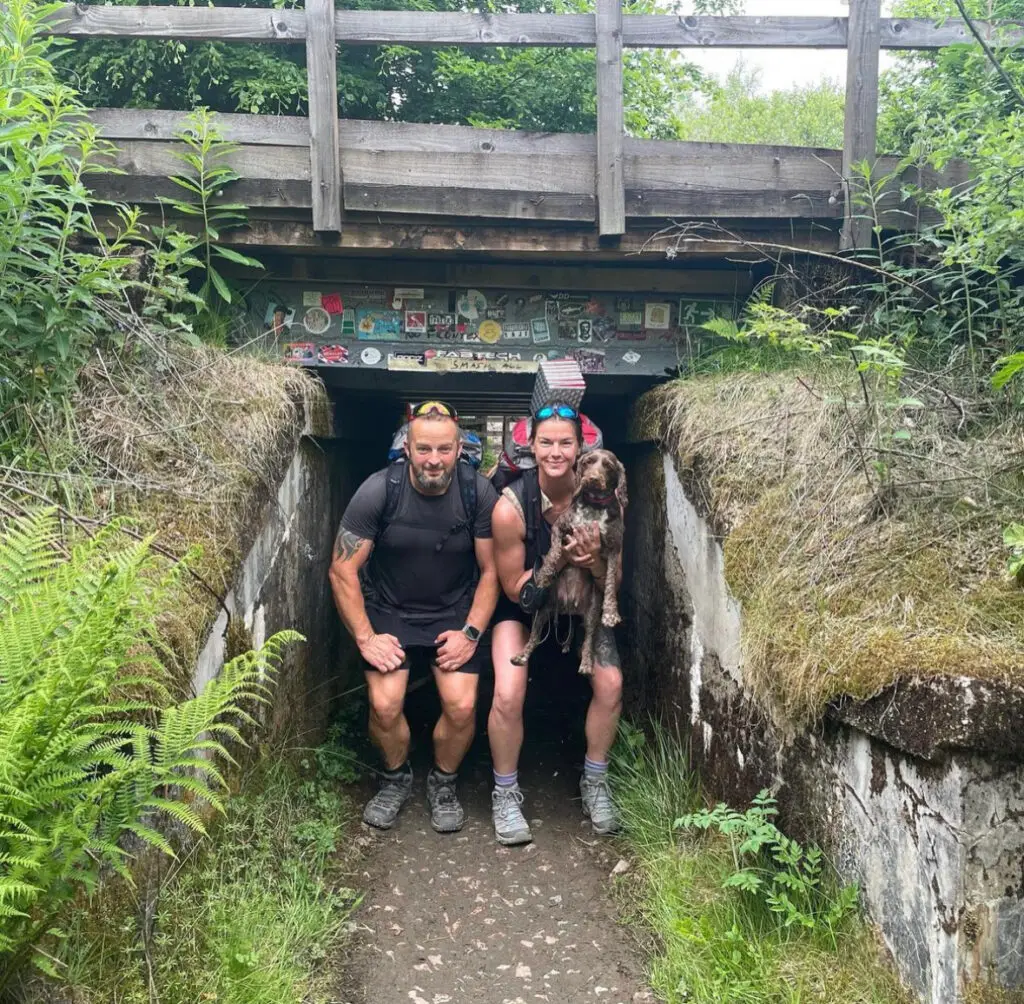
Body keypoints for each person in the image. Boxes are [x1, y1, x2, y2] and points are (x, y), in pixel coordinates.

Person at [329, 401, 499, 833]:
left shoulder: (477, 492)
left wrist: (472, 632)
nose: (434, 460)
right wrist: (366, 638)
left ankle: (443, 781)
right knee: (385, 705)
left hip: (454, 611)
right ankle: (394, 777)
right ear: (407, 447)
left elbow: (493, 571)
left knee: (461, 706)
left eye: (444, 450)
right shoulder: (378, 490)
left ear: (459, 449)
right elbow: (342, 569)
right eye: (424, 449)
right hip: (390, 609)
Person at [488, 403, 624, 846]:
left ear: (582, 451)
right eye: (546, 442)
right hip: (529, 606)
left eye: (566, 443)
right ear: (532, 447)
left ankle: (595, 781)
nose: (556, 452)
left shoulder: (609, 500)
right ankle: (505, 792)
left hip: (584, 602)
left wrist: (595, 564)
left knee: (611, 685)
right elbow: (515, 591)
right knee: (508, 693)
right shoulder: (511, 506)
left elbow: (614, 578)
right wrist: (562, 557)